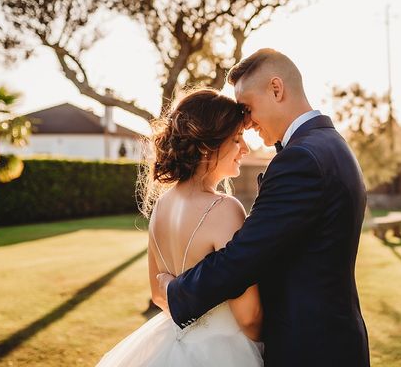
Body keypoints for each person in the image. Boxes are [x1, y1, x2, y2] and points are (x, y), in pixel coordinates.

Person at [158, 48, 370, 366]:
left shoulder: (301, 159)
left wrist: (175, 291)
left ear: (276, 89)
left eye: (246, 108)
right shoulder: (331, 144)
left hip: (309, 349)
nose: (245, 121)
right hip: (333, 340)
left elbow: (242, 257)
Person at [97, 88, 264, 366]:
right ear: (204, 146)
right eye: (236, 139)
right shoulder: (224, 209)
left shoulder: (161, 205)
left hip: (168, 344)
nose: (245, 149)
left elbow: (158, 293)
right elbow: (248, 317)